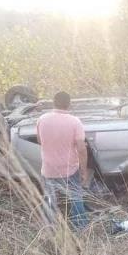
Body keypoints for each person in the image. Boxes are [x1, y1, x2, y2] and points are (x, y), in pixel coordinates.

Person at [36, 91, 89, 229]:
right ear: (69, 104)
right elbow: (82, 149)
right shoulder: (75, 121)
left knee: (49, 199)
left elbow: (40, 140)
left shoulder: (42, 119)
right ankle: (80, 226)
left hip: (48, 169)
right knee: (76, 197)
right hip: (69, 169)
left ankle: (50, 227)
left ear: (54, 102)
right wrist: (83, 171)